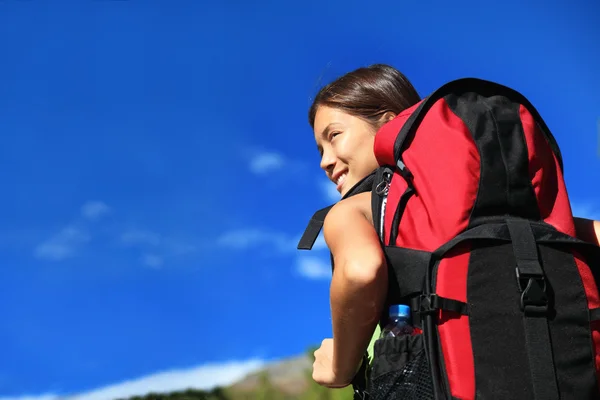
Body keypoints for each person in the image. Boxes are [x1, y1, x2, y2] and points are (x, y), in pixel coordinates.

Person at [307, 63, 600, 388]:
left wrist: (339, 366)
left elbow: (360, 270)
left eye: (333, 136)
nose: (325, 161)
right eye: (320, 149)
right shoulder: (511, 212)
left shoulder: (352, 211)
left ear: (389, 124)